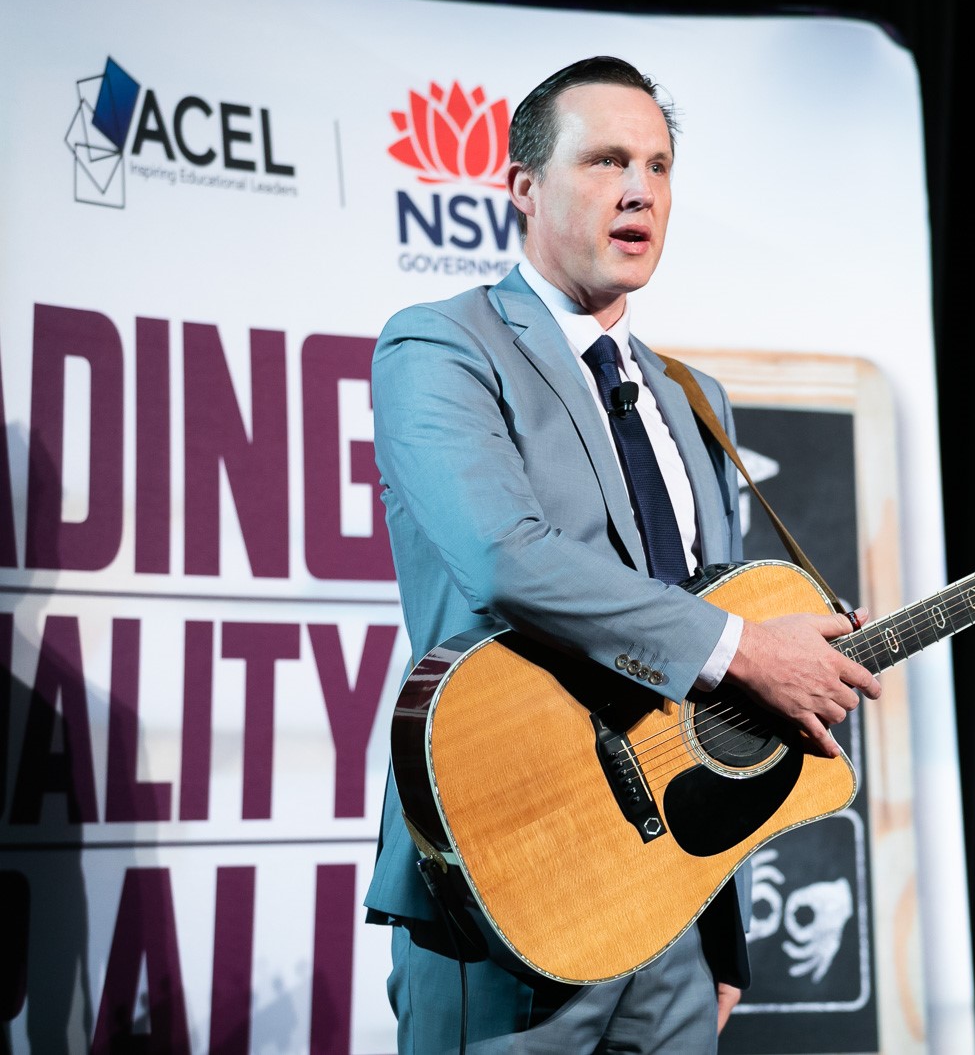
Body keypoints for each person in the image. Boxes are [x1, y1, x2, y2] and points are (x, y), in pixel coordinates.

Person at [364, 55, 882, 1053]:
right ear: (523, 186)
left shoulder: (693, 397)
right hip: (510, 885)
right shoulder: (440, 346)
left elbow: (706, 692)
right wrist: (745, 649)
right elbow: (505, 559)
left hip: (674, 910)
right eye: (606, 161)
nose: (640, 189)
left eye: (658, 165)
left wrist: (724, 932)